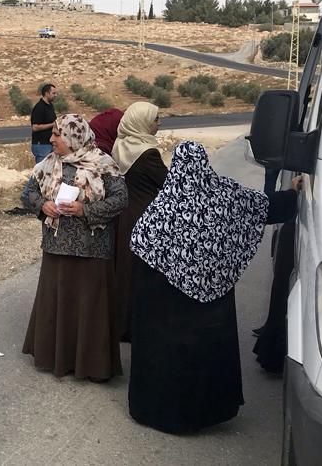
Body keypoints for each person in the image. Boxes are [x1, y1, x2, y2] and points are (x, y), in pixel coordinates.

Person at [128, 141, 299, 434]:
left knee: (165, 354)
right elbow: (261, 206)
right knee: (203, 352)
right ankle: (205, 411)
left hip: (164, 306)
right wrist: (293, 193)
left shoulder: (164, 204)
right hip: (210, 301)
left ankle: (156, 410)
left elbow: (139, 243)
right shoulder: (224, 195)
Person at [22, 114, 127, 380]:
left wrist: (85, 210)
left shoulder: (103, 164)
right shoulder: (47, 164)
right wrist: (41, 205)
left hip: (93, 249)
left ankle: (91, 365)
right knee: (59, 304)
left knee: (89, 307)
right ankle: (57, 359)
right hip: (56, 248)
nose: (51, 138)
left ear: (73, 136)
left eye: (57, 134)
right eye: (54, 133)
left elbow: (120, 200)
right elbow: (28, 193)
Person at [110, 102, 165, 341]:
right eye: (155, 119)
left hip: (123, 215)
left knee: (123, 269)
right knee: (140, 273)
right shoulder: (148, 153)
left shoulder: (120, 145)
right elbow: (167, 181)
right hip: (143, 216)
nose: (158, 123)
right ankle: (135, 326)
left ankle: (119, 323)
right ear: (142, 122)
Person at [30, 83, 58, 163]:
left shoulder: (50, 106)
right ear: (46, 93)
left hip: (50, 143)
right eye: (53, 93)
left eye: (56, 93)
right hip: (42, 145)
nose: (56, 95)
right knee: (42, 171)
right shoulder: (39, 107)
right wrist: (52, 124)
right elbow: (35, 127)